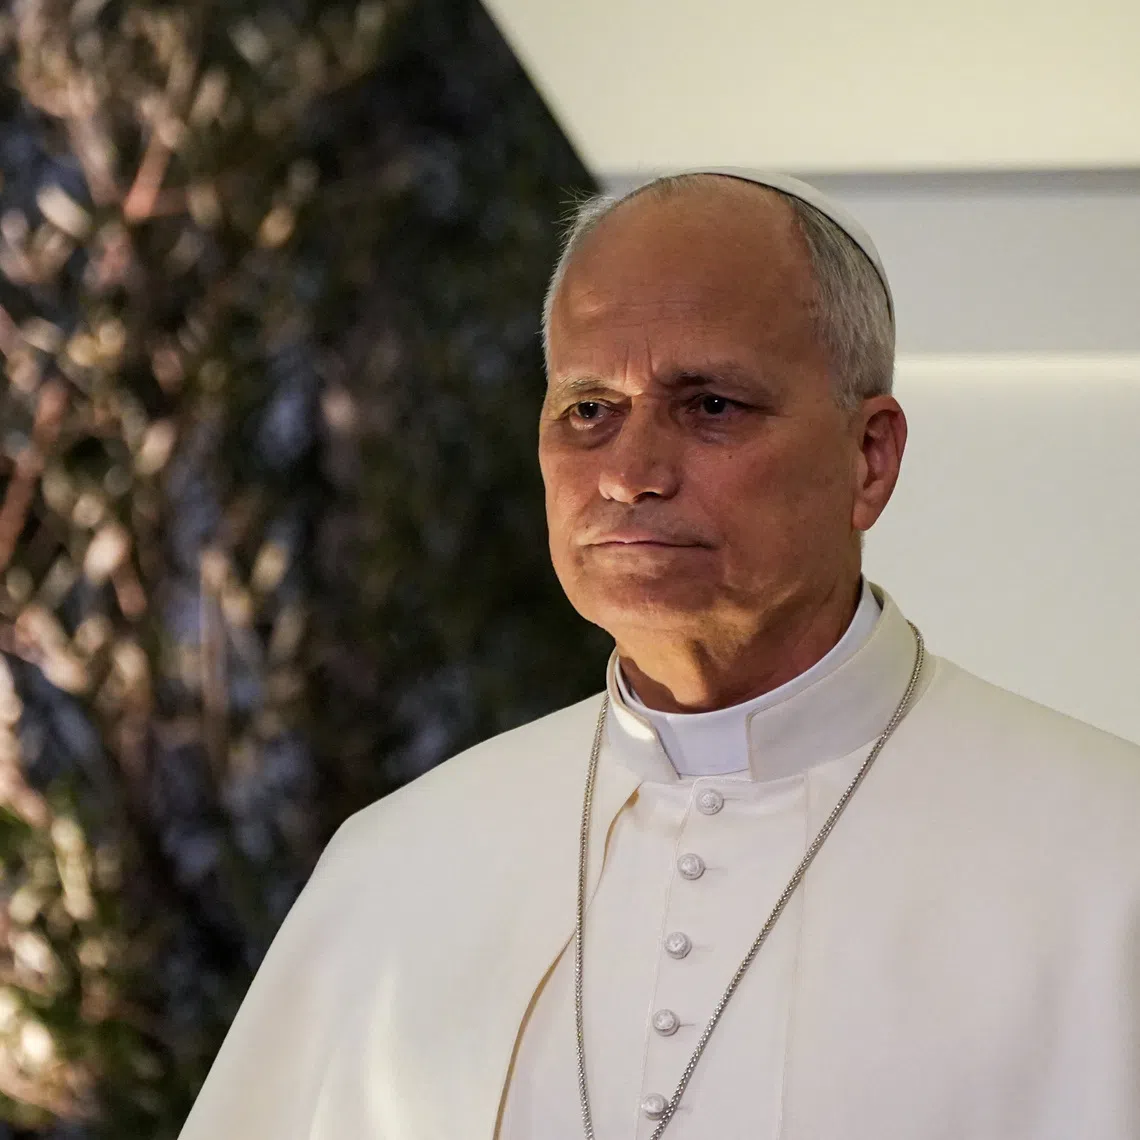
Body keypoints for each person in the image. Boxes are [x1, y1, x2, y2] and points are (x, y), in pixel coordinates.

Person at [178, 171, 1140, 1140]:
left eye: (712, 405)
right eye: (589, 411)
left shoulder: (1111, 857)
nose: (631, 476)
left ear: (869, 457)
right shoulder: (398, 867)